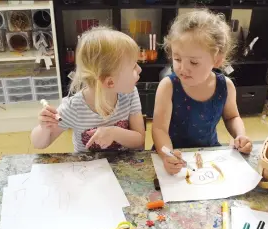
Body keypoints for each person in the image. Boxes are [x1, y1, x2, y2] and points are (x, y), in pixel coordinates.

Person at [152, 10, 252, 175]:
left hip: (208, 155)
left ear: (217, 59)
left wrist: (240, 136)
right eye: (177, 59)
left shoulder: (225, 86)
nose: (182, 68)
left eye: (193, 62)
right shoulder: (168, 86)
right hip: (172, 155)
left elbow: (232, 117)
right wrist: (166, 155)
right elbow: (159, 129)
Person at [31, 27, 145, 152]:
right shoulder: (74, 107)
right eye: (133, 66)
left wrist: (114, 133)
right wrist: (44, 128)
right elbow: (39, 144)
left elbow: (139, 140)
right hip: (87, 169)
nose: (139, 69)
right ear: (110, 82)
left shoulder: (130, 94)